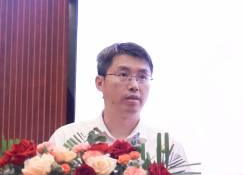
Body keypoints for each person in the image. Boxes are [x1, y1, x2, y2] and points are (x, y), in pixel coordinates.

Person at [49, 42, 190, 167]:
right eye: (123, 75)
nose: (134, 85)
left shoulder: (168, 148)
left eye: (142, 77)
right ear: (100, 83)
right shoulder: (66, 139)